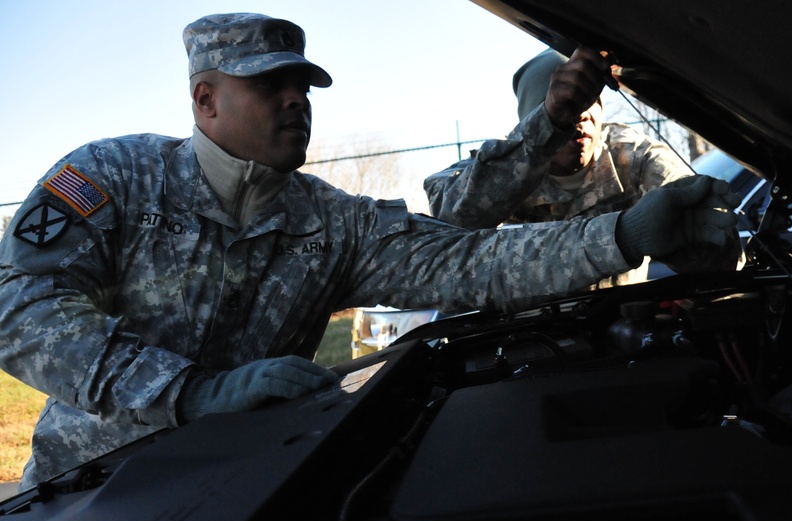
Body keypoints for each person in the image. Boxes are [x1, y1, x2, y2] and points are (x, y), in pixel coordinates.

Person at [0, 13, 739, 490]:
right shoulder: (113, 178)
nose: (297, 100)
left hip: (244, 488)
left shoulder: (335, 224)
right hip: (90, 491)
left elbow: (468, 262)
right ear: (205, 100)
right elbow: (20, 307)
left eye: (304, 85)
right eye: (270, 86)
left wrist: (621, 237)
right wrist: (192, 392)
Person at [424, 47, 743, 281]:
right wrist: (546, 126)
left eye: (590, 101)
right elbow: (445, 220)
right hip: (525, 338)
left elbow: (724, 257)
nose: (582, 114)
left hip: (621, 334)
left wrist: (678, 241)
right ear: (533, 119)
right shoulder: (502, 166)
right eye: (566, 105)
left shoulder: (635, 159)